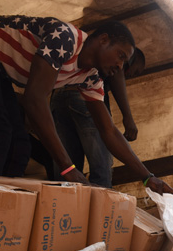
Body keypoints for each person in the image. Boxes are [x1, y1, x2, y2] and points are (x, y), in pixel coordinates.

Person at [0, 15, 173, 195]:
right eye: (121, 56)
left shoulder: (91, 76)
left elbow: (109, 131)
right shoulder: (66, 38)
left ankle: (0, 205)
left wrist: (147, 177)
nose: (121, 67)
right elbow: (34, 99)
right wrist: (68, 167)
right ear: (103, 40)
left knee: (19, 144)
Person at [50, 48, 145, 187]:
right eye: (134, 71)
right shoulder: (116, 60)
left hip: (58, 96)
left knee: (66, 173)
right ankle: (102, 208)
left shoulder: (91, 53)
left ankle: (63, 206)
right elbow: (117, 74)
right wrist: (128, 117)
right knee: (101, 173)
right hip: (83, 100)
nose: (130, 76)